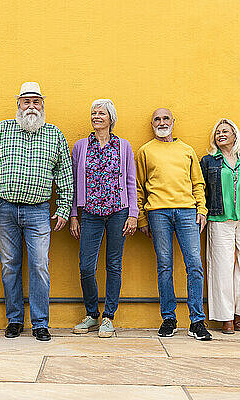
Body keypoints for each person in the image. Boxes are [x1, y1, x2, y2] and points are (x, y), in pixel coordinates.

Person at [0, 82, 73, 341]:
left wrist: (63, 208)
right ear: (18, 104)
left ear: (43, 105)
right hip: (4, 209)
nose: (31, 106)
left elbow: (65, 175)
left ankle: (41, 322)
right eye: (26, 101)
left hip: (39, 212)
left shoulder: (55, 134)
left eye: (36, 101)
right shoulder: (1, 130)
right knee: (10, 266)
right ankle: (15, 320)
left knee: (40, 265)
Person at [136, 108, 212, 341]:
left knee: (194, 265)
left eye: (165, 118)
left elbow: (198, 183)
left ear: (173, 122)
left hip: (187, 212)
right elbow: (138, 186)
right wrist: (141, 217)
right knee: (164, 265)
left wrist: (202, 209)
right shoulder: (145, 151)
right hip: (158, 213)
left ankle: (197, 320)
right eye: (157, 119)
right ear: (152, 123)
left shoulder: (187, 150)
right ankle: (169, 318)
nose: (161, 122)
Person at [69, 99, 138, 338]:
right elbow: (75, 182)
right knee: (86, 266)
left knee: (113, 264)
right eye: (93, 113)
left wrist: (133, 213)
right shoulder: (80, 146)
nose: (96, 116)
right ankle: (91, 314)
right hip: (89, 212)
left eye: (101, 113)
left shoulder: (123, 146)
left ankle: (109, 317)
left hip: (119, 211)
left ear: (111, 118)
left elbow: (130, 180)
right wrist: (74, 214)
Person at [200, 119, 240, 334]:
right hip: (219, 220)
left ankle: (239, 312)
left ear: (235, 135)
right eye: (218, 132)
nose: (221, 135)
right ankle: (226, 317)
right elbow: (202, 189)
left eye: (225, 131)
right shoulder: (209, 161)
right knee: (221, 268)